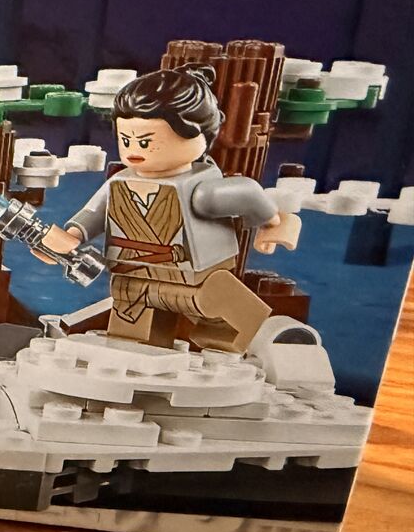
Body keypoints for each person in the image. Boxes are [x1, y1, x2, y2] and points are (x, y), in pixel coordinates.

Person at [39, 65, 299, 353]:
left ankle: (250, 341)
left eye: (145, 142)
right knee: (130, 341)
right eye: (126, 140)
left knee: (224, 326)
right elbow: (95, 213)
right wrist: (71, 237)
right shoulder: (120, 182)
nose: (133, 150)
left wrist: (273, 222)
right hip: (132, 278)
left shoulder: (202, 190)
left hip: (198, 279)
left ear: (197, 135)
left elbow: (248, 192)